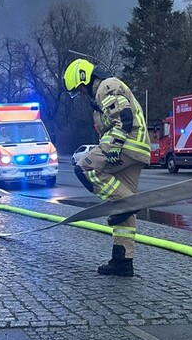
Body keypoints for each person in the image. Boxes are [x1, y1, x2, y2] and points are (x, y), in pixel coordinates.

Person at [63, 59, 150, 277]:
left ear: (84, 78)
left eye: (80, 89)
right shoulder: (99, 99)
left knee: (84, 169)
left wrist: (115, 145)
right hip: (136, 149)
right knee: (123, 214)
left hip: (126, 146)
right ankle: (123, 260)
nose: (81, 93)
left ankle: (127, 203)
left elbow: (124, 118)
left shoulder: (106, 86)